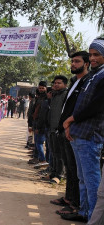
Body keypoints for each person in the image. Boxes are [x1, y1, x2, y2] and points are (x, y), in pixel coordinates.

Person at [62, 39, 104, 222]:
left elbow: (96, 106)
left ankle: (93, 218)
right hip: (80, 133)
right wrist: (72, 126)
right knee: (83, 179)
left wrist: (71, 120)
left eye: (97, 55)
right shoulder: (94, 75)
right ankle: (85, 212)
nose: (92, 58)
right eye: (91, 54)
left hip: (90, 135)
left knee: (91, 180)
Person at [53, 51, 90, 217]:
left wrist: (69, 126)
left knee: (76, 171)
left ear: (87, 63)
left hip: (74, 131)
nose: (73, 64)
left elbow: (80, 109)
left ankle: (75, 204)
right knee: (70, 168)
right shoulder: (76, 81)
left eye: (77, 61)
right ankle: (69, 198)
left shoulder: (87, 82)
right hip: (65, 130)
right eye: (72, 61)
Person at [46, 75, 67, 184]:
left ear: (65, 84)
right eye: (55, 83)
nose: (56, 85)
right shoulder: (54, 96)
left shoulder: (65, 95)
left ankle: (59, 175)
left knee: (59, 154)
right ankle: (53, 173)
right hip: (51, 128)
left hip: (60, 129)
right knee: (53, 152)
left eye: (59, 83)